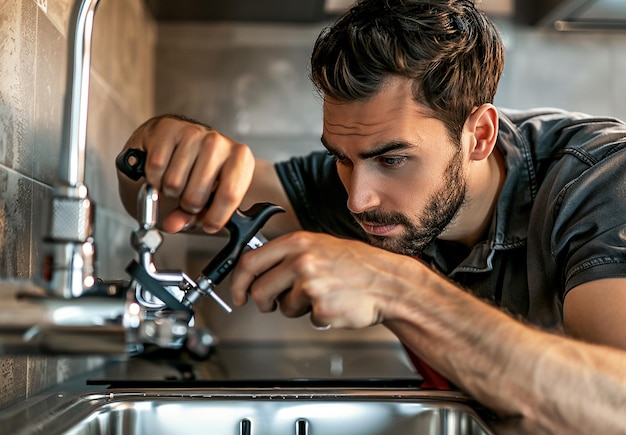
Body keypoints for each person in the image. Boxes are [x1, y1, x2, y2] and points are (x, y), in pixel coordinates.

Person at [117, 0, 626, 432]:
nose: (358, 199)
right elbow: (160, 195)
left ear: (479, 136)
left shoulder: (598, 183)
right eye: (342, 157)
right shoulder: (364, 186)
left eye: (392, 159)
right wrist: (163, 142)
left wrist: (396, 287)